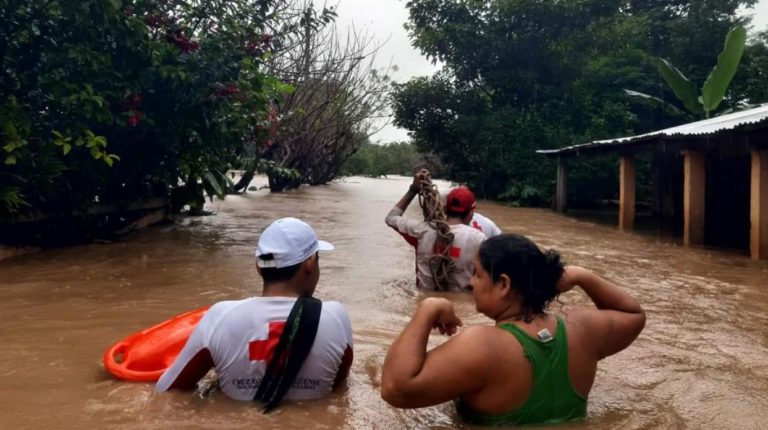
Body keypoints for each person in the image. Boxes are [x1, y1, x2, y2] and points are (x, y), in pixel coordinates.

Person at [381, 234, 645, 426]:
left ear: (503, 284)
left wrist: (428, 309)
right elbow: (633, 314)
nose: (471, 283)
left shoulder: (483, 346)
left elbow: (395, 387)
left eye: (477, 273)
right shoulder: (582, 329)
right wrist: (581, 276)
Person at [156, 217, 353, 409]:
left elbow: (166, 390)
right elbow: (339, 386)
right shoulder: (335, 317)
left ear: (258, 267)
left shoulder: (220, 317)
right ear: (310, 263)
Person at [385, 171, 486, 292]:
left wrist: (413, 190)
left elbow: (391, 218)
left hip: (424, 303)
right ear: (470, 212)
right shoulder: (479, 240)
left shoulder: (422, 230)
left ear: (445, 208)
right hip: (459, 305)